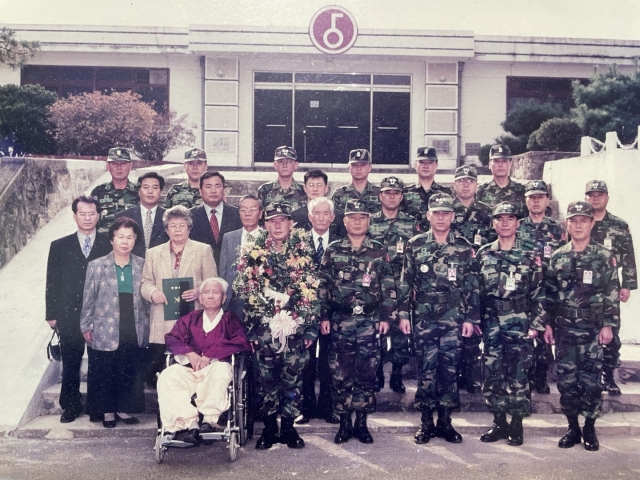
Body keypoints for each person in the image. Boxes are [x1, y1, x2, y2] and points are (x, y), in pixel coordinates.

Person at [233, 202, 320, 450]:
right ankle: (270, 428)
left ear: (291, 224)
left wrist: (310, 330)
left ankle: (290, 429)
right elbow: (247, 294)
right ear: (265, 224)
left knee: (292, 381)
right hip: (264, 333)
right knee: (266, 382)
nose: (278, 224)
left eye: (283, 220)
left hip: (295, 331)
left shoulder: (304, 252)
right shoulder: (253, 253)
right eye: (273, 220)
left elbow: (312, 292)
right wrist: (252, 332)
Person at [397, 193, 479, 445]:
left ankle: (445, 421)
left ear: (453, 216)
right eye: (437, 213)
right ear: (428, 215)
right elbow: (405, 281)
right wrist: (402, 314)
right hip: (424, 318)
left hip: (453, 318)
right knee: (426, 368)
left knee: (449, 369)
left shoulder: (464, 247)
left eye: (446, 213)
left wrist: (470, 318)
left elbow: (472, 286)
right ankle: (425, 422)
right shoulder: (416, 244)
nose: (441, 217)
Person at [318, 199, 398, 445]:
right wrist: (323, 315)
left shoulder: (378, 250)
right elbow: (323, 285)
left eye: (362, 217)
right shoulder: (333, 249)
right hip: (341, 321)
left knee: (367, 372)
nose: (356, 221)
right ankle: (343, 423)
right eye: (352, 217)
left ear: (368, 221)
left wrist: (386, 317)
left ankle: (361, 423)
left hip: (369, 322)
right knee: (340, 373)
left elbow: (389, 287)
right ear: (344, 221)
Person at [545, 201, 620, 452]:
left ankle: (589, 427)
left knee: (590, 381)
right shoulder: (557, 257)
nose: (578, 225)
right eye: (573, 220)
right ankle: (572, 428)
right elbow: (550, 295)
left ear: (591, 223)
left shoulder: (604, 256)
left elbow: (611, 293)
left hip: (591, 328)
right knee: (566, 381)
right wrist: (547, 325)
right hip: (565, 329)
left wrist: (609, 325)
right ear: (566, 224)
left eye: (583, 220)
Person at [476, 201, 546, 446]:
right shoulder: (484, 253)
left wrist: (536, 324)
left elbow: (539, 292)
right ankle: (498, 423)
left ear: (518, 223)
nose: (504, 223)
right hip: (491, 322)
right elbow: (476, 291)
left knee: (518, 374)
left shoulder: (529, 254)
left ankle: (516, 424)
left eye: (510, 218)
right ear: (493, 223)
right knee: (492, 372)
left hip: (519, 320)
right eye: (500, 218)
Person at [157, 277, 252, 445]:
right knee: (168, 376)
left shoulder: (230, 320)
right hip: (189, 368)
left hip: (215, 367)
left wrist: (209, 355)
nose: (210, 296)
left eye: (215, 292)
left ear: (223, 298)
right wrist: (190, 353)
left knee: (221, 371)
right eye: (206, 292)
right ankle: (191, 424)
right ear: (200, 298)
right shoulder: (190, 319)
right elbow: (171, 338)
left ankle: (208, 420)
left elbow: (241, 342)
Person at [45, 195, 112, 423]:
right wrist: (51, 314)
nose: (87, 218)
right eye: (82, 214)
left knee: (98, 361)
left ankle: (96, 406)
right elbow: (52, 281)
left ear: (98, 215)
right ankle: (71, 405)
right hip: (68, 313)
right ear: (74, 216)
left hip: (100, 313)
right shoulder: (60, 245)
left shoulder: (107, 244)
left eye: (91, 213)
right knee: (71, 361)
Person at [79, 216, 150, 428]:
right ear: (112, 239)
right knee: (106, 369)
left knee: (128, 366)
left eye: (130, 237)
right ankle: (108, 411)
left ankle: (123, 408)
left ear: (135, 240)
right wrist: (86, 325)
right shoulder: (97, 265)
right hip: (105, 324)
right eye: (120, 237)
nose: (125, 241)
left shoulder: (142, 265)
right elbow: (88, 297)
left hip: (133, 322)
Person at [141, 205, 218, 387]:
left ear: (189, 228)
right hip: (162, 317)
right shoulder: (153, 253)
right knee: (164, 371)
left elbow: (212, 283)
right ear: (166, 230)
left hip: (193, 317)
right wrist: (153, 293)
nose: (177, 230)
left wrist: (199, 291)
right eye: (172, 226)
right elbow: (145, 282)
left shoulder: (203, 250)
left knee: (191, 369)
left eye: (181, 225)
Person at [585, 180, 637, 396]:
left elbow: (628, 257)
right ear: (586, 197)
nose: (596, 197)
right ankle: (588, 376)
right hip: (582, 288)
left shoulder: (619, 225)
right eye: (591, 194)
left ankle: (608, 376)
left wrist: (628, 285)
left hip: (610, 289)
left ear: (607, 197)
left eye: (600, 194)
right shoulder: (579, 222)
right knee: (585, 332)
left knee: (611, 333)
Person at [368, 176, 418, 393]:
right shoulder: (370, 221)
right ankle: (378, 371)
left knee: (400, 332)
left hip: (401, 284)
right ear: (380, 196)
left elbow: (416, 255)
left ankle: (396, 374)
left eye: (395, 193)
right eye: (387, 192)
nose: (391, 196)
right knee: (377, 330)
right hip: (376, 285)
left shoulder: (411, 222)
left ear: (401, 196)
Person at [517, 180, 565, 394]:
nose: (536, 201)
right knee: (527, 333)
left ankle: (541, 376)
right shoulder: (517, 226)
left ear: (547, 200)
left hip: (549, 290)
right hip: (525, 290)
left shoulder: (557, 229)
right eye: (532, 197)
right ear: (525, 200)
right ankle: (526, 375)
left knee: (546, 336)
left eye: (540, 197)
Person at [450, 165, 495, 393]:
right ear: (454, 184)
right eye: (461, 181)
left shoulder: (488, 213)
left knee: (476, 326)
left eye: (470, 180)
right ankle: (455, 374)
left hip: (483, 278)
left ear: (477, 185)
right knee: (456, 325)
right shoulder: (446, 210)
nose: (465, 184)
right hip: (453, 278)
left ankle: (470, 374)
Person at [297, 196, 339, 425]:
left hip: (332, 311)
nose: (321, 218)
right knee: (306, 360)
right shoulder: (298, 242)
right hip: (304, 309)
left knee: (328, 360)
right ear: (310, 217)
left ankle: (327, 406)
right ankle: (307, 408)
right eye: (317, 214)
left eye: (326, 214)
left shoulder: (340, 242)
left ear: (332, 218)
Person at [219, 194, 264, 321]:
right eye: (243, 210)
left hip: (260, 299)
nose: (247, 214)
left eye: (252, 210)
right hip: (233, 299)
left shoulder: (268, 237)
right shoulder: (229, 237)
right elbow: (223, 270)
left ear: (260, 213)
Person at [189, 171, 242, 266]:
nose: (213, 191)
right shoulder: (189, 215)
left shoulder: (237, 214)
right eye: (208, 186)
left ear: (223, 189)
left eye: (217, 186)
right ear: (200, 190)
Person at [115, 172, 169, 258]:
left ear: (161, 191)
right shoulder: (123, 216)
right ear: (139, 191)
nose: (150, 191)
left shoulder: (169, 216)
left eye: (155, 188)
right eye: (146, 187)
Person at [402, 146, 452, 231]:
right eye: (421, 162)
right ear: (415, 165)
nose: (425, 166)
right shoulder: (405, 193)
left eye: (430, 162)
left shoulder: (446, 194)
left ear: (436, 166)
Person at [90, 147, 139, 234]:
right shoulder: (98, 192)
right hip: (104, 242)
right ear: (108, 167)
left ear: (130, 166)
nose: (119, 168)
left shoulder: (139, 191)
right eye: (114, 164)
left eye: (123, 164)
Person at [476, 144, 527, 218]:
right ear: (490, 165)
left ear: (510, 164)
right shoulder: (480, 191)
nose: (500, 165)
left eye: (504, 161)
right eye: (496, 161)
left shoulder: (522, 190)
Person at [291, 169, 344, 237]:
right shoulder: (295, 216)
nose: (315, 189)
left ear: (326, 188)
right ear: (305, 188)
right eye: (311, 185)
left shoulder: (338, 216)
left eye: (319, 185)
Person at [331, 149, 381, 216]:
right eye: (354, 165)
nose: (358, 169)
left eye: (363, 165)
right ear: (349, 168)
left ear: (369, 167)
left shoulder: (380, 193)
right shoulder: (339, 194)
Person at [257, 145, 307, 211]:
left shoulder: (304, 190)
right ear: (275, 165)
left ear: (296, 165)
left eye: (289, 161)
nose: (285, 165)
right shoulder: (264, 190)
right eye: (281, 161)